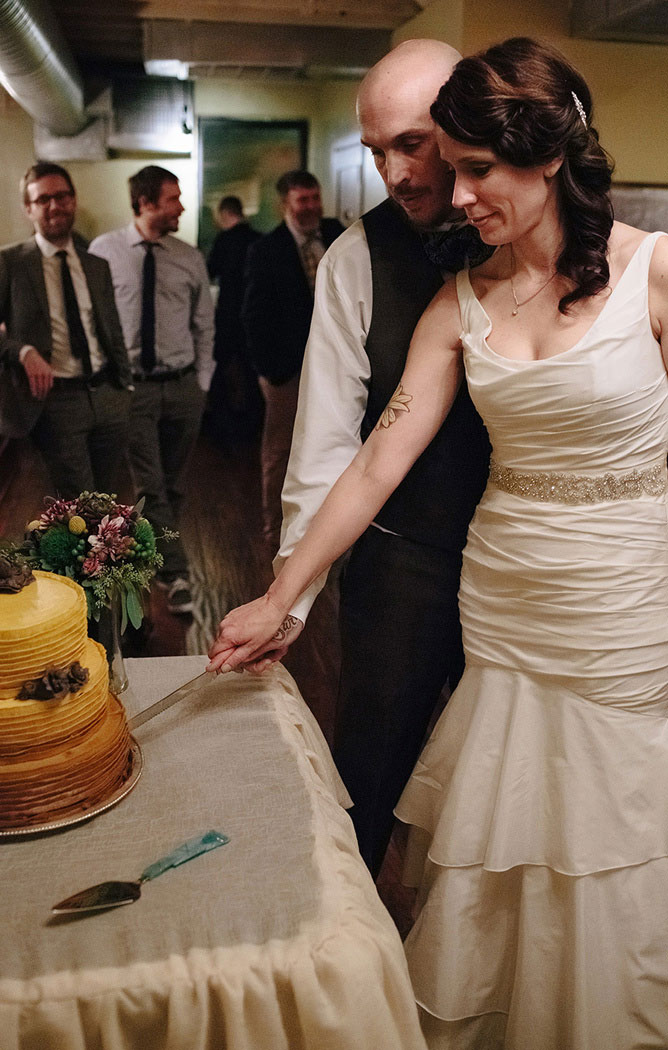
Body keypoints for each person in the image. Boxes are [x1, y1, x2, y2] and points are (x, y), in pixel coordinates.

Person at [209, 36, 668, 1049]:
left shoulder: (655, 272)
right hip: (504, 602)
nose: (447, 195)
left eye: (473, 169)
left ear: (546, 155)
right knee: (498, 841)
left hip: (622, 602)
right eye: (441, 167)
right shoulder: (454, 303)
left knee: (619, 827)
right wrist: (284, 594)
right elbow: (371, 462)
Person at [276, 40, 492, 877]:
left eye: (412, 143)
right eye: (375, 152)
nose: (393, 174)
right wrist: (292, 595)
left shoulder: (549, 246)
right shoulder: (353, 259)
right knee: (366, 777)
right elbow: (327, 444)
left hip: (530, 572)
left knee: (499, 788)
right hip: (400, 566)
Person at [89, 165, 215, 614]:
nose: (182, 206)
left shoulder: (189, 257)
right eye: (173, 198)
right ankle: (177, 573)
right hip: (133, 389)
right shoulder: (103, 252)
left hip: (182, 387)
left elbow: (204, 324)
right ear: (145, 203)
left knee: (174, 485)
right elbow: (92, 319)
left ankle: (147, 556)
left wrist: (202, 382)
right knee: (151, 482)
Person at [0, 161, 132, 497]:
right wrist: (22, 351)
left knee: (109, 504)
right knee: (80, 508)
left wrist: (125, 388)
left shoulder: (95, 264)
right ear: (28, 209)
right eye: (43, 200)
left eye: (62, 196)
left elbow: (111, 331)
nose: (54, 206)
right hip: (57, 402)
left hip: (107, 396)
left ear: (73, 200)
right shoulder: (8, 262)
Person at [242, 170, 344, 552]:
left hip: (337, 366)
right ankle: (277, 529)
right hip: (288, 369)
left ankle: (327, 526)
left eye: (315, 197)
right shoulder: (265, 250)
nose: (312, 207)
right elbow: (252, 317)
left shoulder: (337, 234)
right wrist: (272, 373)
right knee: (281, 451)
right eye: (303, 200)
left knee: (333, 443)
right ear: (285, 204)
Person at [206, 196, 262, 450]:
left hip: (228, 315)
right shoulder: (259, 240)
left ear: (224, 214)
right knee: (252, 372)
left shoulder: (223, 240)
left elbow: (210, 273)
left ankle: (220, 423)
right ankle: (254, 424)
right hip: (254, 317)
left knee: (218, 368)